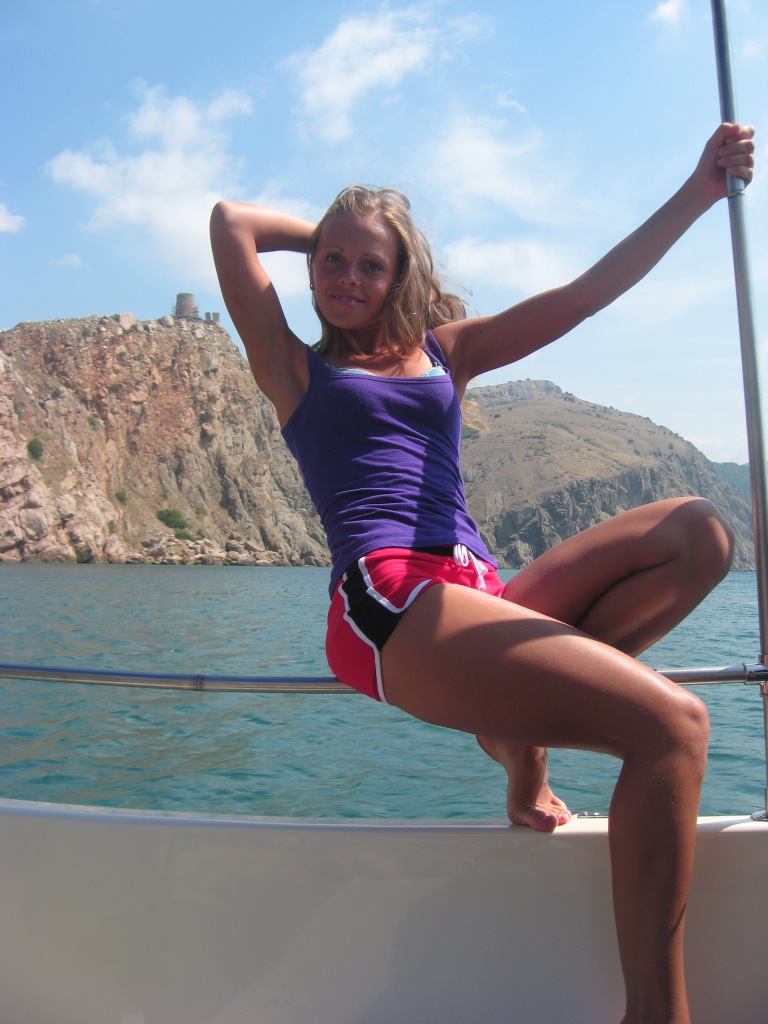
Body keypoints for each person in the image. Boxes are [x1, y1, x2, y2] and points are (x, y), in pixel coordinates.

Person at [210, 121, 754, 1024]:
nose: (346, 277)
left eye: (371, 265)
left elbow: (582, 297)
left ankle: (514, 737)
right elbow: (231, 222)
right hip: (389, 601)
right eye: (333, 262)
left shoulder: (445, 352)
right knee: (674, 726)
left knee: (700, 535)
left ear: (401, 275)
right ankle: (657, 1013)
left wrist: (698, 192)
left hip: (476, 591)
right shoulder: (295, 370)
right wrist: (335, 230)